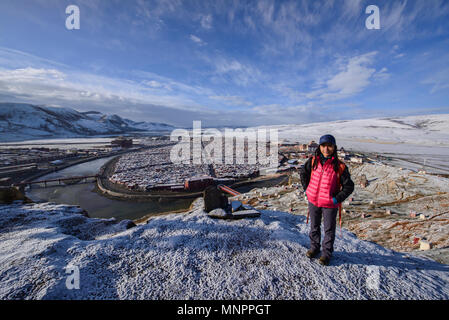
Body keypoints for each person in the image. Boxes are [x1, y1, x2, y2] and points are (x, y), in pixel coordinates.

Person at [299, 134, 354, 266]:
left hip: (329, 204)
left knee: (329, 230)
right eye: (323, 146)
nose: (326, 149)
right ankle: (314, 248)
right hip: (313, 201)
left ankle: (326, 254)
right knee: (314, 226)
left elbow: (349, 186)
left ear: (334, 147)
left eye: (329, 146)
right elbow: (303, 174)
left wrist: (336, 199)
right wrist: (308, 190)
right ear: (320, 147)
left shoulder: (339, 166)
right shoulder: (313, 161)